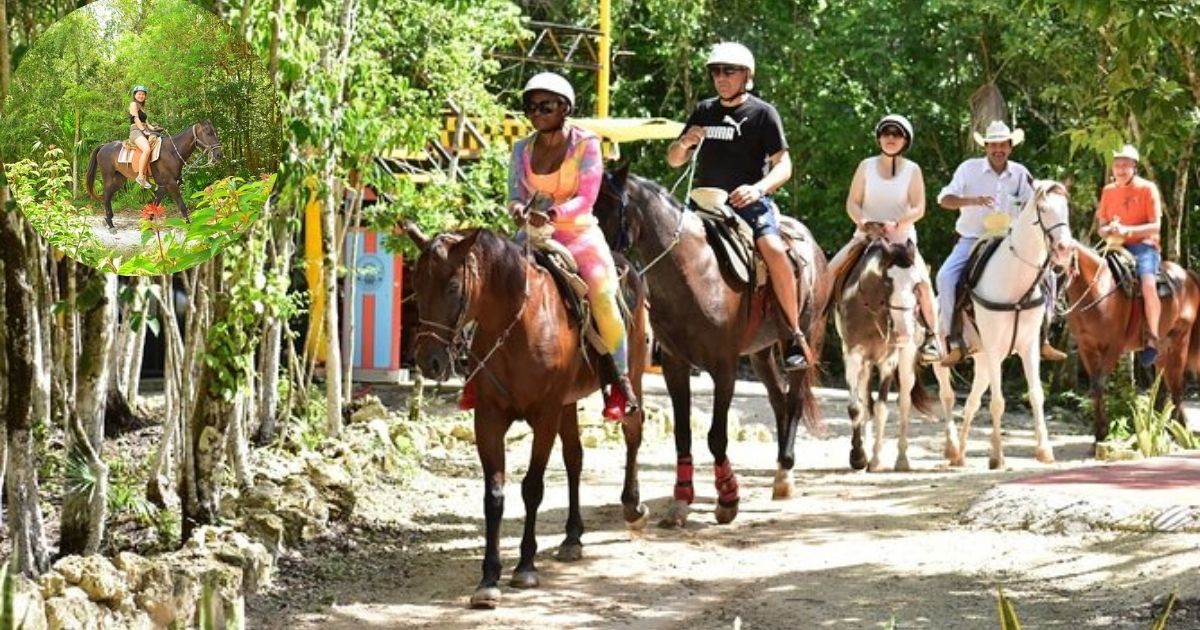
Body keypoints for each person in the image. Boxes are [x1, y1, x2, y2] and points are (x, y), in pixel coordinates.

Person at [461, 71, 638, 421]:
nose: (537, 113)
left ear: (566, 108)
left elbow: (587, 197)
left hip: (578, 233)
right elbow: (515, 193)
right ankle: (474, 374)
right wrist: (517, 208)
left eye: (546, 106)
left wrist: (554, 213)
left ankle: (619, 383)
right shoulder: (521, 148)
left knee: (603, 296)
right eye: (531, 106)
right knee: (487, 286)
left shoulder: (586, 143)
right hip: (531, 233)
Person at [666, 42, 811, 370]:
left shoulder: (763, 113)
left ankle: (792, 334)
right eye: (715, 71)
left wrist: (757, 189)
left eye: (728, 71)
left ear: (747, 75)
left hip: (748, 205)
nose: (721, 77)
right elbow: (674, 160)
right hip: (705, 204)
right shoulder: (703, 110)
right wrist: (684, 143)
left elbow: (784, 166)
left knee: (774, 249)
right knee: (665, 246)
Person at [934, 120, 1067, 365]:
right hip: (973, 238)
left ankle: (1044, 337)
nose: (998, 149)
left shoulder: (1021, 174)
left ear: (1010, 147)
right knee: (945, 277)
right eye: (993, 144)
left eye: (1003, 144)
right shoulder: (968, 169)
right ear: (985, 147)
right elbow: (944, 199)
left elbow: (1036, 205)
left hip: (1010, 240)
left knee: (1048, 275)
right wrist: (972, 201)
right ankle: (951, 339)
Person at [828, 114, 940, 361]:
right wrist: (864, 222)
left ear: (905, 140)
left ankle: (932, 338)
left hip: (901, 243)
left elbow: (919, 207)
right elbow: (853, 202)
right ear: (879, 138)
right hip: (865, 238)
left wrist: (897, 223)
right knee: (828, 273)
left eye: (897, 134)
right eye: (886, 133)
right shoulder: (865, 166)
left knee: (924, 284)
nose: (891, 138)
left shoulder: (913, 170)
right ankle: (812, 327)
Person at [1095, 144, 1163, 366]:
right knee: (1088, 277)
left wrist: (1128, 231)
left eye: (1125, 165)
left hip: (1144, 246)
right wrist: (1109, 230)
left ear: (1134, 167)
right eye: (1117, 165)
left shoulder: (1147, 188)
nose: (1121, 169)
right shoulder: (1108, 191)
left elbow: (1156, 226)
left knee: (1148, 285)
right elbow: (1101, 227)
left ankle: (1152, 337)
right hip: (1114, 246)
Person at [128, 85, 157, 189]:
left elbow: (147, 124)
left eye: (143, 94)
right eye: (139, 94)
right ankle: (140, 176)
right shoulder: (133, 104)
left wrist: (155, 128)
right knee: (146, 149)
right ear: (135, 95)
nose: (141, 96)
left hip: (144, 130)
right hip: (136, 131)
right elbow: (136, 119)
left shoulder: (142, 108)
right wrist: (144, 130)